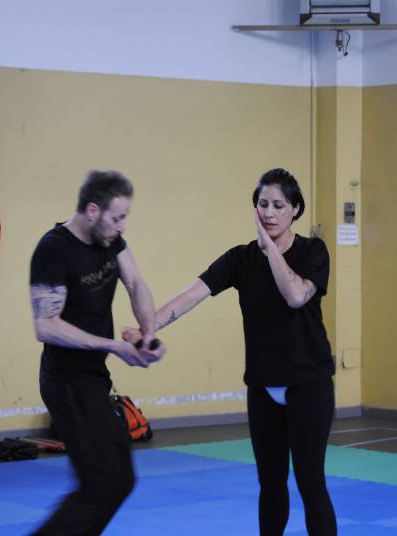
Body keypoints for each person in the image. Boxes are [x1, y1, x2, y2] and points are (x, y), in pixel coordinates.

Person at [125, 168, 337, 535]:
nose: (268, 213)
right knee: (270, 482)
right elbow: (191, 295)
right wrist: (149, 328)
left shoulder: (312, 252)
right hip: (263, 385)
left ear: (296, 210)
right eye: (262, 204)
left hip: (309, 383)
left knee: (310, 481)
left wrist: (271, 250)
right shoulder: (240, 259)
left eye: (278, 205)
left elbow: (295, 296)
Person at [29, 170, 165, 535]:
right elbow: (46, 326)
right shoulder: (54, 249)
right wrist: (113, 346)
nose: (122, 226)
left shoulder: (110, 241)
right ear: (92, 211)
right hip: (66, 382)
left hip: (92, 378)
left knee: (117, 480)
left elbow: (135, 282)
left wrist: (148, 335)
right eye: (117, 217)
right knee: (105, 483)